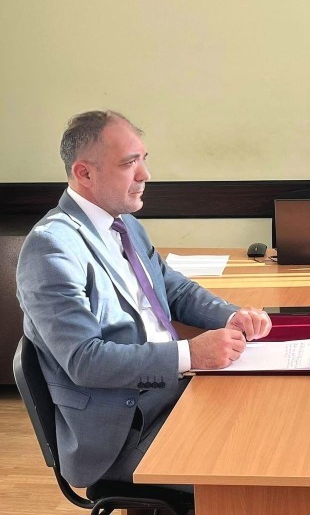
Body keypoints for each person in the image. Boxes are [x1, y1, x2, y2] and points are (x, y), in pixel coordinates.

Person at [16, 110, 272, 492]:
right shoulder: (51, 248)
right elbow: (84, 361)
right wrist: (191, 354)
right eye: (128, 163)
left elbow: (173, 289)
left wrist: (232, 315)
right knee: (259, 475)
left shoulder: (124, 223)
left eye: (144, 159)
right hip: (125, 432)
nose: (145, 175)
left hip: (173, 394)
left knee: (275, 427)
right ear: (84, 173)